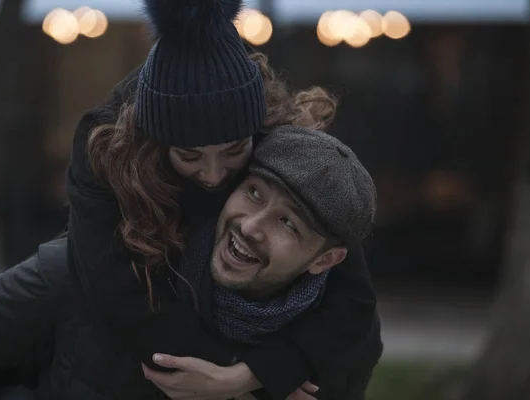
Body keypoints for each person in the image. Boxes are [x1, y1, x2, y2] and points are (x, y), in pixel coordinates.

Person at [68, 0, 378, 398]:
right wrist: (243, 385)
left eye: (234, 152)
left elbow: (351, 292)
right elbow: (123, 301)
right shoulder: (103, 150)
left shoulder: (271, 132)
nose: (214, 176)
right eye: (190, 156)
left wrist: (257, 372)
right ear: (158, 145)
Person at [0, 125, 382, 400]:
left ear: (326, 259)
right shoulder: (100, 265)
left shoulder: (339, 352)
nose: (251, 226)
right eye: (253, 192)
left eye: (288, 223)